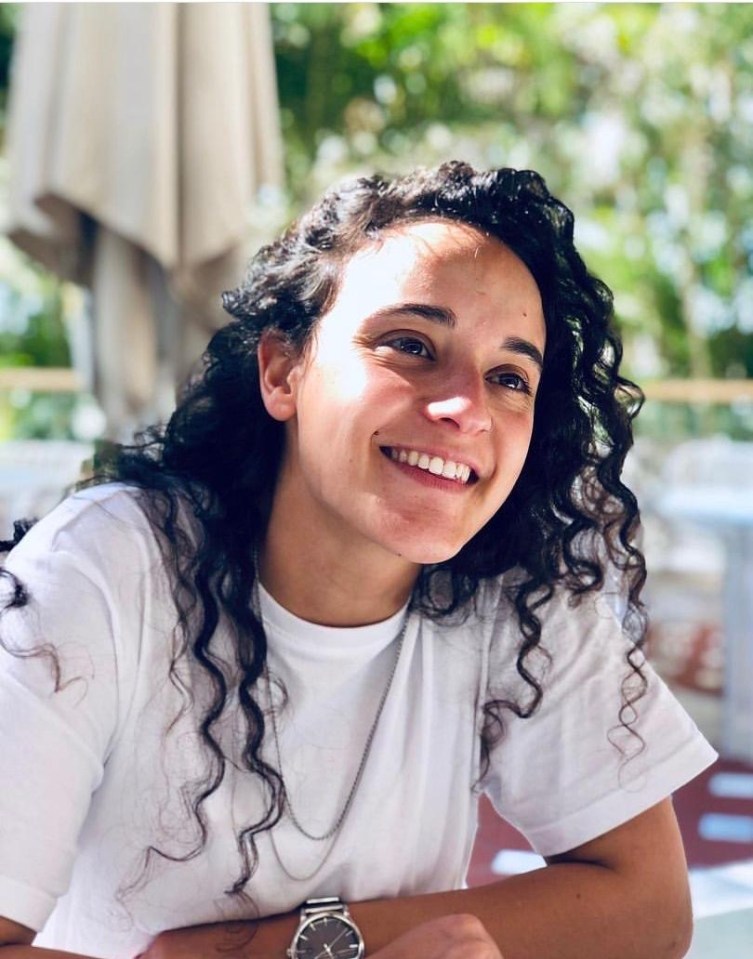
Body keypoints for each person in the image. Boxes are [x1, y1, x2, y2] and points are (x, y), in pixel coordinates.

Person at [0, 161, 716, 959]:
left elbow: (650, 905)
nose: (464, 409)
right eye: (410, 344)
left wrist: (270, 951)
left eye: (509, 376)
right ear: (282, 370)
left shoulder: (512, 587)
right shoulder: (105, 564)